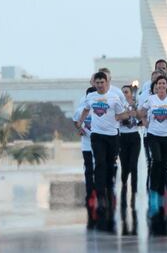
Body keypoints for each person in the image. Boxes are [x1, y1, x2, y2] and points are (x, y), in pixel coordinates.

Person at [75, 71, 132, 230]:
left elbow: (122, 114)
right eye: (97, 82)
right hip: (97, 136)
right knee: (99, 163)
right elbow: (86, 110)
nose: (100, 85)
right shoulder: (91, 97)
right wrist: (80, 122)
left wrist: (122, 117)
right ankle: (100, 195)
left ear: (107, 83)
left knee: (109, 164)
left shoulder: (114, 97)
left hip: (112, 136)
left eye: (102, 82)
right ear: (95, 84)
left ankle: (108, 189)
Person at [140, 73, 167, 215]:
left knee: (164, 165)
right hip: (153, 135)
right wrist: (145, 122)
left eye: (164, 83)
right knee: (156, 160)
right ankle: (153, 195)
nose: (161, 86)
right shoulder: (151, 99)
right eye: (159, 84)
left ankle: (161, 194)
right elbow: (141, 112)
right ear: (156, 87)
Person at [72, 86, 96, 228]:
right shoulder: (81, 110)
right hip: (86, 145)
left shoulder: (101, 110)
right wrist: (80, 129)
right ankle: (90, 192)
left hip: (100, 144)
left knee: (99, 167)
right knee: (88, 169)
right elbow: (76, 121)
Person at [118, 83, 142, 214]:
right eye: (122, 92)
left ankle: (134, 193)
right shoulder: (118, 105)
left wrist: (135, 112)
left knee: (134, 165)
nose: (124, 94)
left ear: (131, 93)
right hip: (122, 138)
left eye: (126, 92)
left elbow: (141, 117)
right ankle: (123, 189)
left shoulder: (136, 103)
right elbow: (117, 117)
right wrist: (126, 114)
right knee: (125, 167)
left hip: (134, 137)